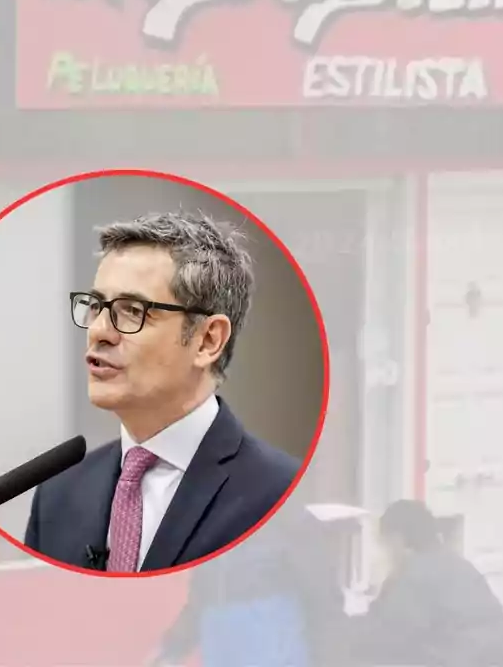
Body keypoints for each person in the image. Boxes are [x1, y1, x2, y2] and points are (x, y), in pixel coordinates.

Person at [24, 210, 302, 573]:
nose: (98, 332)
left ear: (207, 340)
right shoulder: (57, 496)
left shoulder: (281, 495)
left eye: (132, 310)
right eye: (96, 306)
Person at [149, 501, 350, 667]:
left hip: (270, 638)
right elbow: (201, 596)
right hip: (219, 639)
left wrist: (330, 657)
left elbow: (322, 598)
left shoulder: (288, 517)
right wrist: (173, 647)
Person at [347, 500, 503, 667]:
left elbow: (390, 637)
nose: (383, 551)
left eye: (382, 542)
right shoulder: (457, 564)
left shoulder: (414, 576)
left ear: (397, 539)